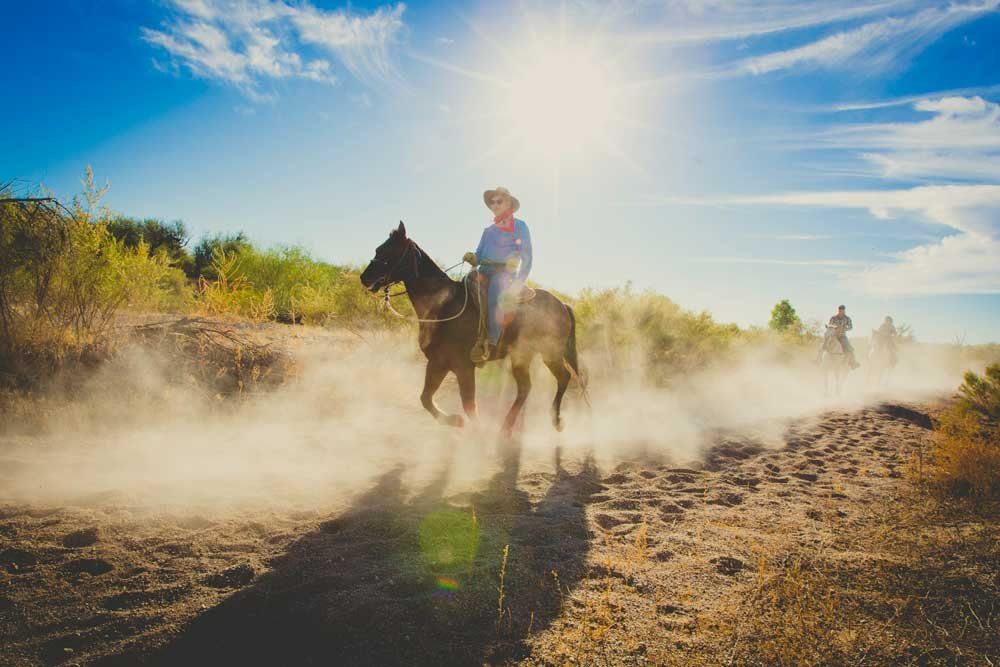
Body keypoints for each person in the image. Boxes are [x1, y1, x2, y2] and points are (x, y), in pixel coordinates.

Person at [463, 186, 533, 363]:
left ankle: (491, 343)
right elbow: (479, 255)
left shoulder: (520, 226)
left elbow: (527, 257)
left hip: (505, 274)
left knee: (495, 292)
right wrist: (473, 258)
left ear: (508, 203)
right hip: (484, 271)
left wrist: (519, 282)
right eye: (492, 202)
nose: (494, 204)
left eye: (499, 201)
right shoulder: (488, 231)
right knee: (464, 286)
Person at [818, 304, 860, 368]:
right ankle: (818, 360)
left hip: (842, 336)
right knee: (823, 344)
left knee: (849, 348)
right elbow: (829, 325)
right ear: (838, 310)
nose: (840, 312)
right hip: (833, 335)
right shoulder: (833, 318)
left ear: (844, 311)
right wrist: (835, 327)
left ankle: (853, 362)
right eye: (840, 310)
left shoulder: (847, 319)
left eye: (842, 311)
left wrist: (844, 328)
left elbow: (851, 327)